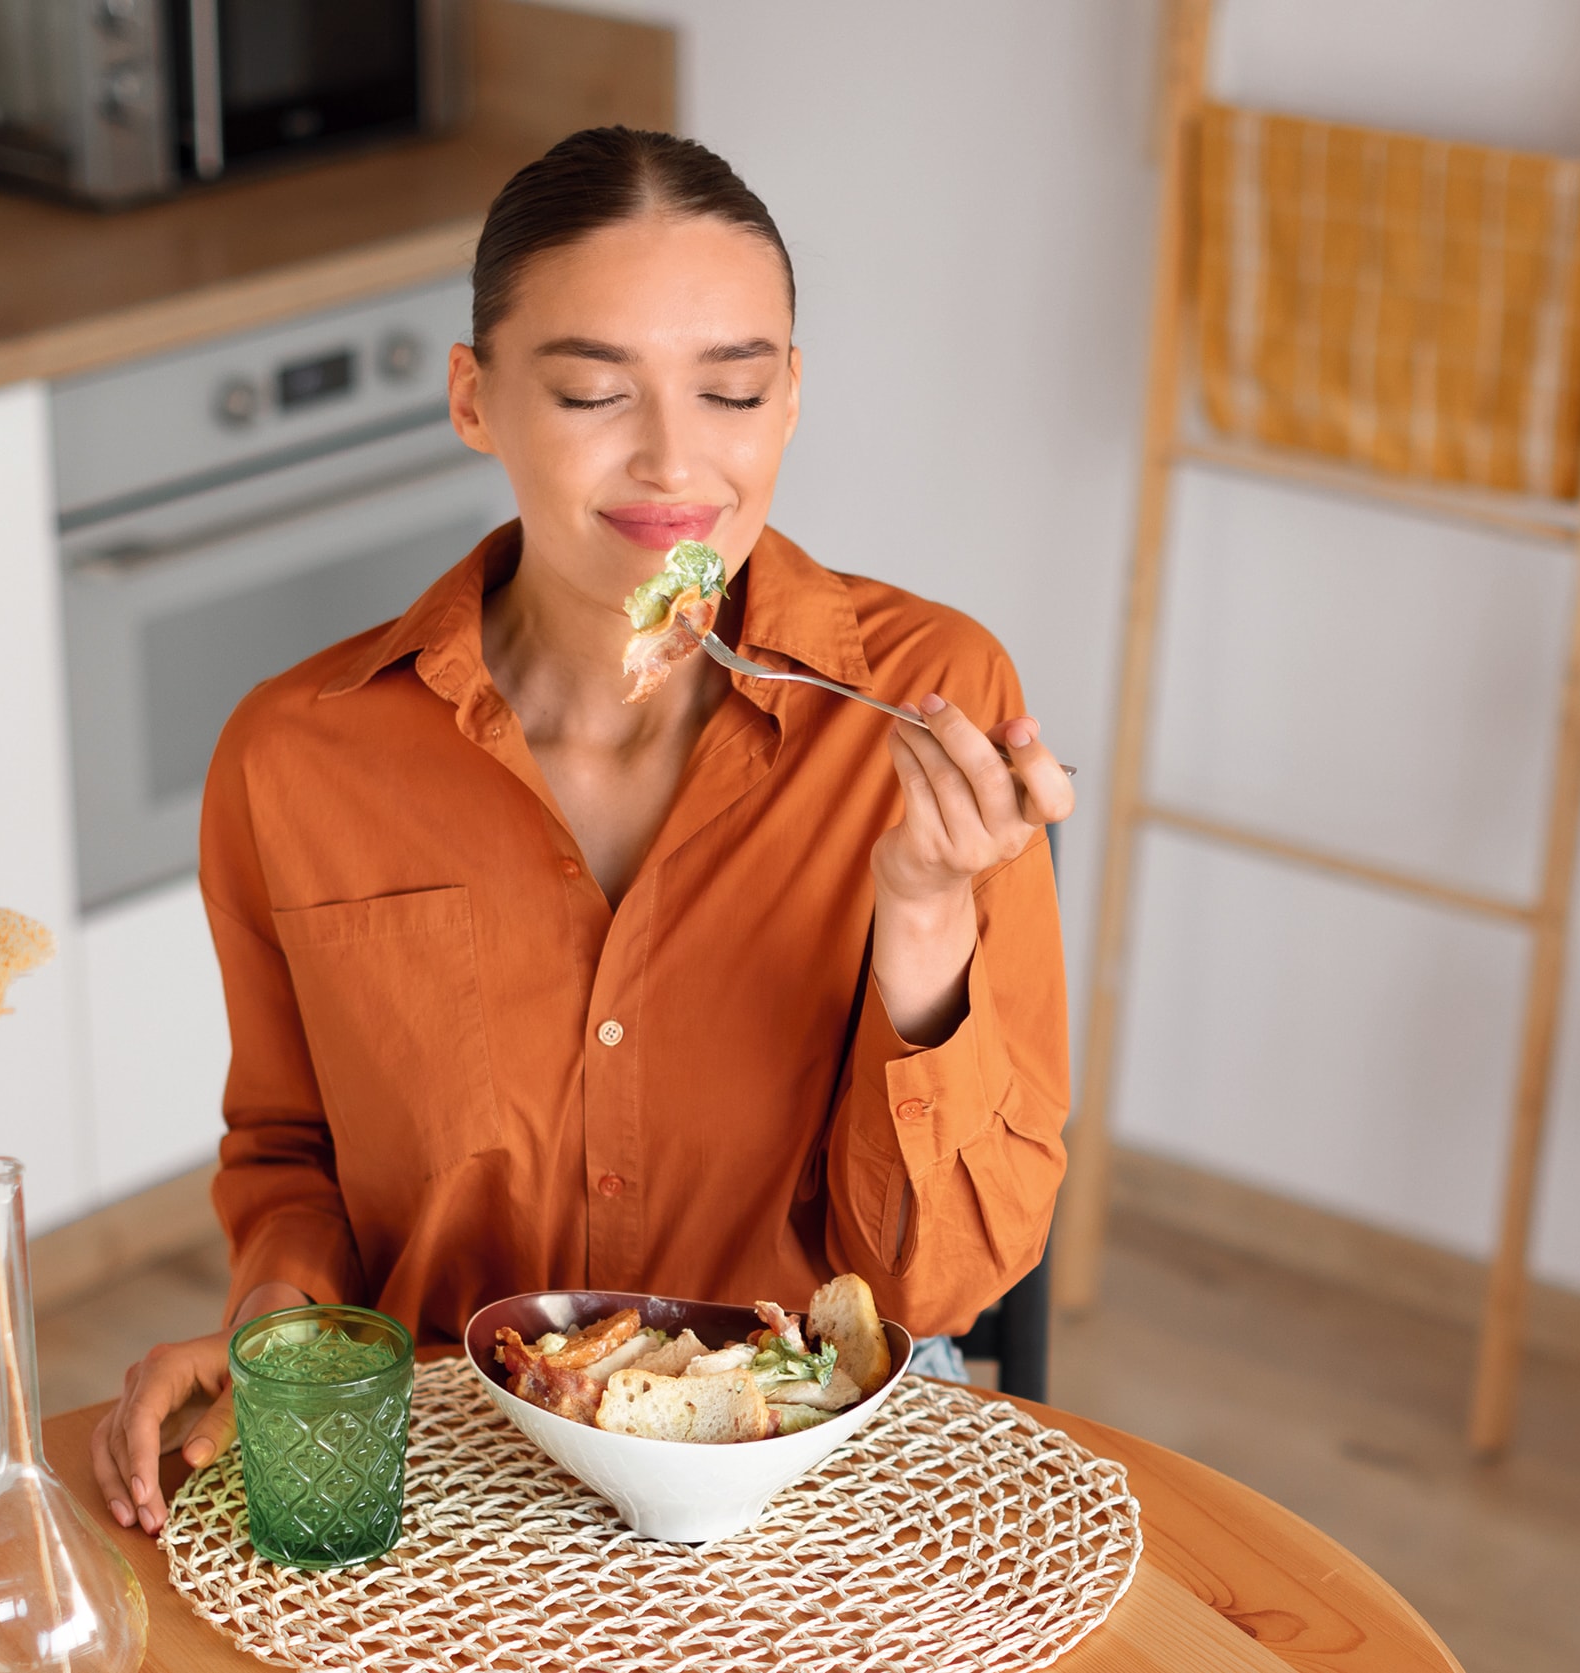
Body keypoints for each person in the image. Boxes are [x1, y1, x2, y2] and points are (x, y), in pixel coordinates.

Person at [90, 127, 1074, 1535]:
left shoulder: (927, 702)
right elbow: (293, 1149)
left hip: (804, 1491)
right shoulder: (294, 754)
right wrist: (275, 1327)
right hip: (449, 1485)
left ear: (789, 399)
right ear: (474, 398)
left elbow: (935, 1288)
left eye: (731, 388)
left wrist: (922, 907)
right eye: (593, 390)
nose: (675, 459)